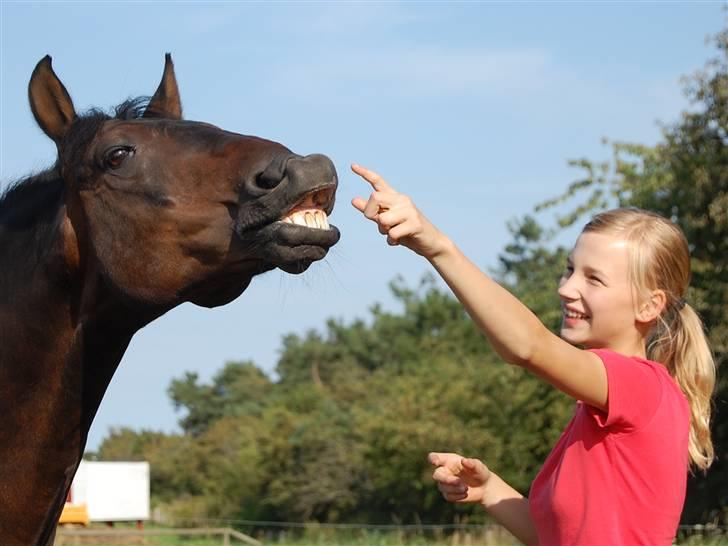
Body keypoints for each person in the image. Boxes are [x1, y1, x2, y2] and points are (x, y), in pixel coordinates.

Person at [350, 163, 716, 546]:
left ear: (649, 306)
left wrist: (437, 246)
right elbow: (553, 536)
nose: (566, 288)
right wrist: (490, 489)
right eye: (570, 269)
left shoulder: (644, 386)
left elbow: (528, 346)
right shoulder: (597, 411)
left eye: (594, 279)